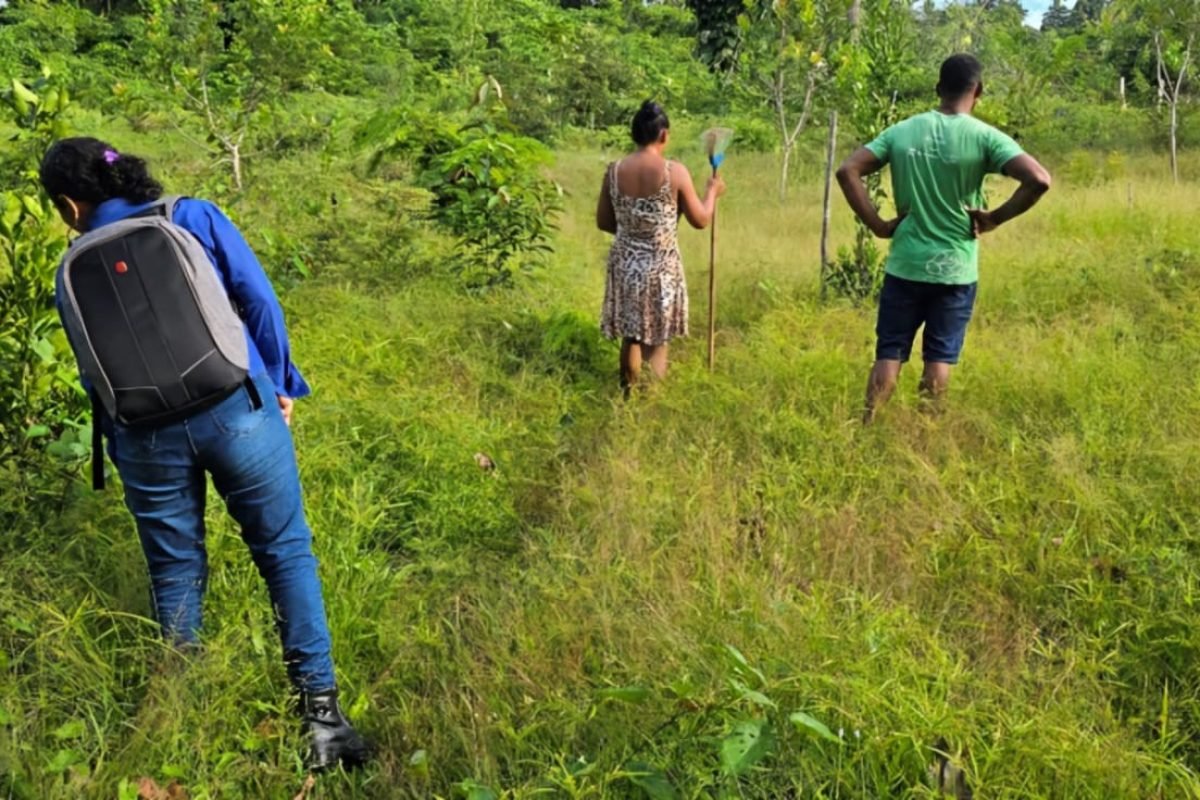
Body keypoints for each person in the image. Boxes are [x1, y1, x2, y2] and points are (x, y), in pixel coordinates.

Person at [39, 137, 371, 771]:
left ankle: (180, 721)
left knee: (174, 572)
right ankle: (323, 720)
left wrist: (123, 449)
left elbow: (93, 373)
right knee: (284, 553)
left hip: (145, 438)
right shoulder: (189, 215)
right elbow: (259, 302)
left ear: (69, 204)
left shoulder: (70, 268)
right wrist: (278, 381)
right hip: (236, 409)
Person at [836, 54, 1052, 422]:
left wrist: (878, 225)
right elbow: (1039, 179)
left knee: (889, 354)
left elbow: (848, 170)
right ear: (978, 91)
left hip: (905, 265)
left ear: (938, 89)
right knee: (938, 361)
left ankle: (868, 425)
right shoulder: (985, 137)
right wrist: (993, 218)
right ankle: (927, 437)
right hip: (955, 271)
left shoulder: (902, 132)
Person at [597, 100, 725, 395]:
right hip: (660, 268)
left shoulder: (614, 171)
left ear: (634, 134)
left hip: (625, 264)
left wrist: (634, 233)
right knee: (656, 338)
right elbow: (701, 220)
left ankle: (627, 395)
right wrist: (712, 192)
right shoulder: (674, 172)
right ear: (664, 135)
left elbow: (604, 221)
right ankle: (649, 401)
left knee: (632, 335)